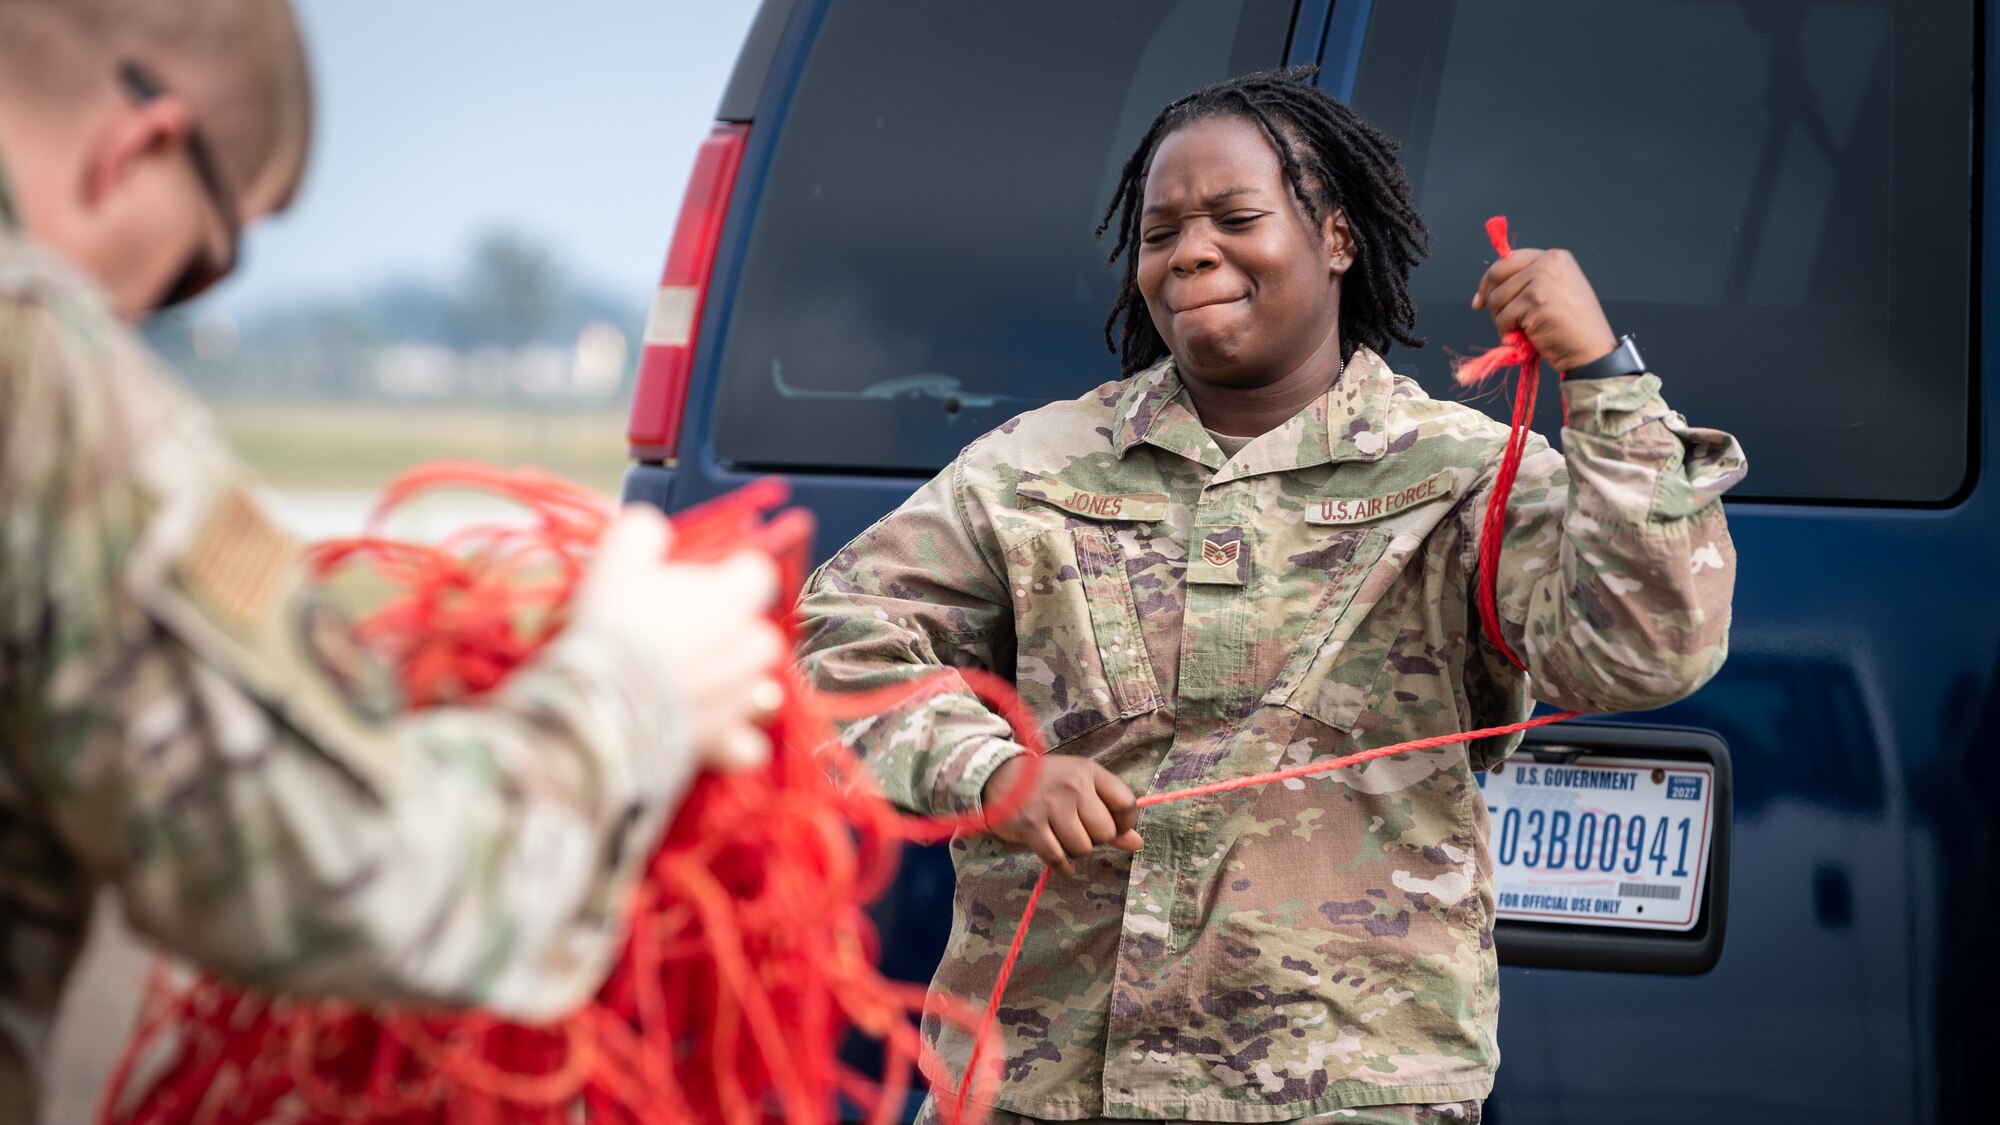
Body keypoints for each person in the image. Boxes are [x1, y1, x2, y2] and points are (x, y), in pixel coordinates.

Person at [796, 66, 1746, 1124]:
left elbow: (1649, 652)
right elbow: (832, 649)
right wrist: (994, 772)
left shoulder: (1464, 473)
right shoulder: (1030, 466)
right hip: (1041, 1091)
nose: (1190, 251)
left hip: (1345, 1096)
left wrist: (1603, 378)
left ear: (1337, 238)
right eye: (1160, 234)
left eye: (1234, 217)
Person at [0, 0, 785, 1116]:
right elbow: (334, 879)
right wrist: (633, 686)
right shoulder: (37, 364)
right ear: (136, 146)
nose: (139, 318)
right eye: (202, 267)